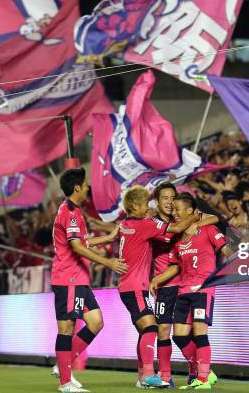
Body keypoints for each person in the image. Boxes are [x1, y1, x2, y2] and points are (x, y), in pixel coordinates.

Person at [51, 168, 128, 393]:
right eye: (85, 184)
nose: (87, 187)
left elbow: (82, 240)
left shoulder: (73, 210)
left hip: (78, 280)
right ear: (77, 188)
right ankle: (65, 382)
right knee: (67, 329)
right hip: (69, 278)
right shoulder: (70, 213)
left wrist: (109, 237)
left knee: (95, 322)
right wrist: (109, 263)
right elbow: (76, 247)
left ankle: (62, 365)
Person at [117, 185, 199, 389]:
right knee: (156, 328)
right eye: (164, 198)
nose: (169, 201)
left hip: (184, 283)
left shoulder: (131, 222)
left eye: (173, 197)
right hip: (155, 286)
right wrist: (196, 216)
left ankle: (196, 370)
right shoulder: (149, 223)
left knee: (183, 333)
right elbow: (176, 230)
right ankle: (157, 375)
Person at [151, 193, 233, 390]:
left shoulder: (208, 229)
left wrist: (239, 263)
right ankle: (205, 370)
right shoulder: (178, 239)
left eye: (178, 209)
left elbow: (226, 250)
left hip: (203, 288)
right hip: (183, 290)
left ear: (190, 211)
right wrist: (157, 280)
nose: (175, 213)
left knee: (200, 333)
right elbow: (174, 266)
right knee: (179, 335)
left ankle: (203, 378)